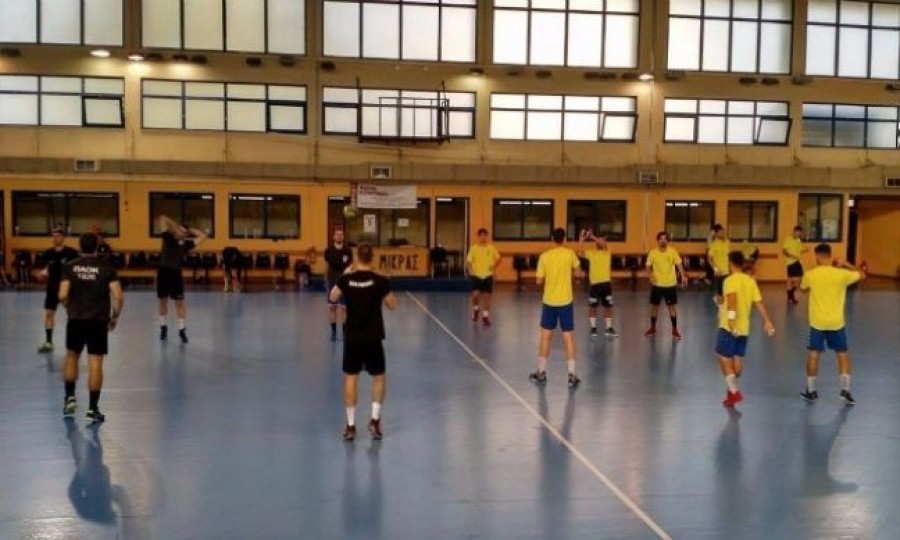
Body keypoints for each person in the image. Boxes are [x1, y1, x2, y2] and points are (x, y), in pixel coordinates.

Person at [330, 244, 397, 441]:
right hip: (373, 337)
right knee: (379, 377)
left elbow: (333, 297)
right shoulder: (380, 280)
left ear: (356, 257)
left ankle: (350, 426)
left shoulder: (346, 279)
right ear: (372, 257)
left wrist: (345, 274)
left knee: (351, 378)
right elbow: (392, 305)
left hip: (353, 337)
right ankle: (374, 421)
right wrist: (385, 285)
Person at [59, 233, 123, 423]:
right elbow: (118, 297)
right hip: (98, 321)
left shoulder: (69, 266)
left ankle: (70, 397)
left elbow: (62, 294)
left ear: (80, 246)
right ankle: (92, 409)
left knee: (72, 356)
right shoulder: (106, 267)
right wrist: (114, 317)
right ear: (97, 247)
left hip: (76, 318)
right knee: (95, 363)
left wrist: (70, 308)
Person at [798, 243, 865, 406]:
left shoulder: (811, 274)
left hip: (817, 323)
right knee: (842, 354)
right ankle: (845, 391)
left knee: (813, 355)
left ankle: (811, 391)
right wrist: (846, 264)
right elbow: (862, 275)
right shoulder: (842, 274)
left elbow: (802, 289)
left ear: (817, 256)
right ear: (830, 255)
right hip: (836, 323)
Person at [716, 250, 775, 407]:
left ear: (730, 263)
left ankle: (735, 392)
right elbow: (759, 302)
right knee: (737, 358)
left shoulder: (729, 280)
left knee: (722, 358)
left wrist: (731, 322)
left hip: (729, 327)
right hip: (744, 328)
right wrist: (767, 321)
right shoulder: (750, 281)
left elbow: (733, 301)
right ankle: (731, 392)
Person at [529, 227, 584, 388]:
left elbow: (538, 281)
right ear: (564, 239)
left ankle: (541, 372)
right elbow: (578, 274)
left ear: (552, 239)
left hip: (549, 302)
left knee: (545, 337)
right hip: (566, 302)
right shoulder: (570, 254)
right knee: (569, 338)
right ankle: (572, 375)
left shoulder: (544, 256)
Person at [157, 215, 207, 343]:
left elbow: (203, 236)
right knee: (163, 301)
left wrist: (189, 230)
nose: (182, 234)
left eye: (184, 233)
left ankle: (182, 330)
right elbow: (162, 218)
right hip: (163, 272)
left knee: (180, 303)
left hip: (176, 274)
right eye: (180, 231)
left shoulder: (186, 244)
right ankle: (163, 327)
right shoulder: (167, 236)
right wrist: (176, 228)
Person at [38, 227, 81, 353]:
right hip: (52, 288)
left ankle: (74, 341)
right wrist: (43, 273)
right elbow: (47, 268)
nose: (55, 238)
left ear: (63, 238)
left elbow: (77, 268)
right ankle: (48, 341)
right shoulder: (48, 253)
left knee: (72, 314)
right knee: (49, 314)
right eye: (53, 236)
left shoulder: (71, 253)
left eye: (58, 236)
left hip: (67, 288)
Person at [644, 232, 688, 340]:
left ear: (667, 241)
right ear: (658, 240)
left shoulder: (673, 251)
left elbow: (679, 264)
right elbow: (648, 266)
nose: (663, 241)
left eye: (665, 239)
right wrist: (650, 276)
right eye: (661, 239)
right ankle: (653, 328)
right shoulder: (653, 252)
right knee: (654, 307)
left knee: (671, 308)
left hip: (670, 285)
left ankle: (675, 330)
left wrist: (683, 276)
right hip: (657, 285)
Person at [578, 230, 618, 337]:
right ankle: (593, 328)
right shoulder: (591, 253)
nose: (601, 242)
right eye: (599, 240)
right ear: (595, 244)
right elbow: (580, 253)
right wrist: (581, 240)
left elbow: (602, 243)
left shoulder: (607, 251)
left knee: (608, 307)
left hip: (606, 284)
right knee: (593, 307)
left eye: (602, 240)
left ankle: (608, 328)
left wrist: (592, 236)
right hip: (595, 285)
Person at [466, 228, 501, 327]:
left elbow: (498, 258)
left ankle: (485, 316)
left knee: (487, 296)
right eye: (481, 235)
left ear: (486, 237)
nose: (483, 237)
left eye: (484, 235)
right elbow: (469, 261)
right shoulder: (473, 248)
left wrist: (493, 267)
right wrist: (470, 270)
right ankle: (476, 308)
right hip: (477, 275)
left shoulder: (491, 248)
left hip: (488, 275)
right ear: (478, 237)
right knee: (475, 295)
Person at [324, 228, 353, 341]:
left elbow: (350, 267)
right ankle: (334, 332)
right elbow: (326, 266)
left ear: (343, 237)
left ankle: (345, 332)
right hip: (332, 282)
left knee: (345, 308)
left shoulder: (348, 251)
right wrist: (326, 282)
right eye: (337, 234)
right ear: (334, 237)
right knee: (332, 307)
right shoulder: (328, 251)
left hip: (345, 283)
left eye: (341, 234)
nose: (339, 236)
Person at [782, 225, 808, 306]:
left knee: (795, 279)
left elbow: (799, 250)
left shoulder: (798, 240)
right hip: (791, 262)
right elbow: (784, 251)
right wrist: (792, 256)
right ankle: (790, 297)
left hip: (797, 261)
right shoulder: (788, 239)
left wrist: (805, 250)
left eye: (800, 233)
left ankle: (790, 297)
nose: (799, 234)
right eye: (798, 233)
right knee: (793, 279)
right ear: (794, 231)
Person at [707, 224, 730, 304]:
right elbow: (709, 259)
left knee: (727, 291)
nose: (722, 233)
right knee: (719, 294)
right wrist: (716, 269)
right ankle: (719, 306)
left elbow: (728, 256)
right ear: (716, 234)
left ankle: (726, 307)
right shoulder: (713, 245)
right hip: (719, 273)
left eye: (723, 232)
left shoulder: (728, 242)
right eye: (720, 232)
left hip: (727, 272)